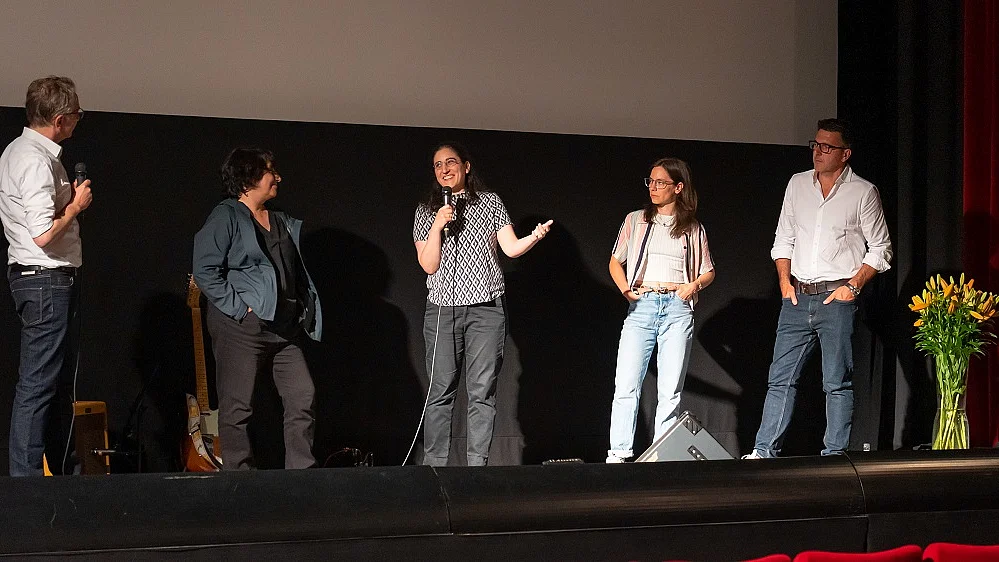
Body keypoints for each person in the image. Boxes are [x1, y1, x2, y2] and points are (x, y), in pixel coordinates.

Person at [744, 118, 892, 459]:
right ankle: (764, 450)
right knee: (780, 380)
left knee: (836, 382)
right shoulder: (797, 185)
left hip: (836, 297)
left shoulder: (863, 192)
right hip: (796, 296)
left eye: (827, 147)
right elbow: (784, 239)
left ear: (845, 154)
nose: (818, 152)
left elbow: (881, 247)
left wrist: (852, 287)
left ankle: (834, 456)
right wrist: (784, 282)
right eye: (815, 145)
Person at [413, 142, 552, 466]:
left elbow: (510, 248)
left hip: (485, 311)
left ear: (466, 166)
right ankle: (435, 469)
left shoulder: (490, 203)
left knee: (481, 393)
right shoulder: (426, 209)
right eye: (437, 165)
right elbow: (429, 265)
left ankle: (477, 471)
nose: (444, 169)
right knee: (440, 392)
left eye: (451, 162)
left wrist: (534, 237)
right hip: (442, 310)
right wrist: (437, 224)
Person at [193, 148, 322, 470]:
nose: (277, 177)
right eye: (269, 171)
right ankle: (238, 479)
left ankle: (301, 473)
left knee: (302, 397)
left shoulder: (279, 218)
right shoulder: (226, 216)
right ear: (249, 178)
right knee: (237, 408)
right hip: (241, 327)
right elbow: (205, 270)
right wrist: (241, 309)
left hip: (284, 328)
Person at [0, 76, 92, 476]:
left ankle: (56, 475)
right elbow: (42, 234)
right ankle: (26, 484)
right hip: (45, 280)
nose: (76, 122)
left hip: (43, 280)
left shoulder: (21, 152)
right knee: (38, 386)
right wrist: (75, 207)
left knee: (50, 386)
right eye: (75, 116)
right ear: (59, 119)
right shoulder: (35, 159)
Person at [605, 157, 715, 463]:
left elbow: (708, 271)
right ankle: (619, 454)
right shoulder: (635, 220)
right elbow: (616, 260)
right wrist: (627, 292)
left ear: (678, 188)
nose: (653, 188)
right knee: (626, 383)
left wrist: (692, 287)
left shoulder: (693, 227)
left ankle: (662, 457)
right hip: (643, 305)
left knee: (670, 389)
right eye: (650, 182)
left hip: (677, 307)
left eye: (661, 183)